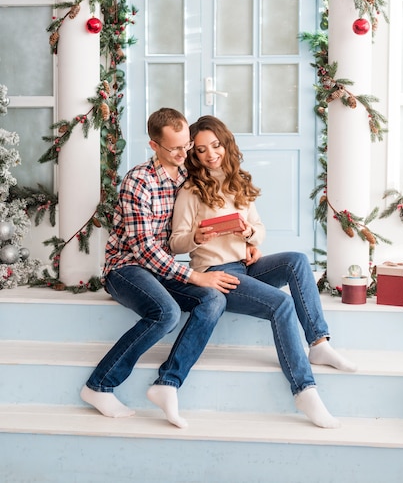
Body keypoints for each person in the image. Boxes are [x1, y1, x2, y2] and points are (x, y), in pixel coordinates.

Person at [169, 115, 357, 429]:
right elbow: (176, 243)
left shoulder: (238, 180)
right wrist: (196, 238)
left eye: (215, 145)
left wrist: (249, 236)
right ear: (194, 154)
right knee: (281, 305)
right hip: (217, 273)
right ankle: (304, 389)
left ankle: (319, 343)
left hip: (245, 264)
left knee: (296, 260)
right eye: (201, 150)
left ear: (225, 144)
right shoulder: (191, 190)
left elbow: (259, 229)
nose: (210, 154)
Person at [80, 108, 240, 428]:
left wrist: (246, 238)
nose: (184, 154)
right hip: (126, 268)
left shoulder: (187, 177)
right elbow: (143, 249)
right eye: (175, 148)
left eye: (187, 145)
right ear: (154, 146)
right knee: (165, 313)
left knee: (214, 299)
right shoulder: (138, 182)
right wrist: (195, 276)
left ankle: (167, 383)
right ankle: (99, 385)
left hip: (161, 268)